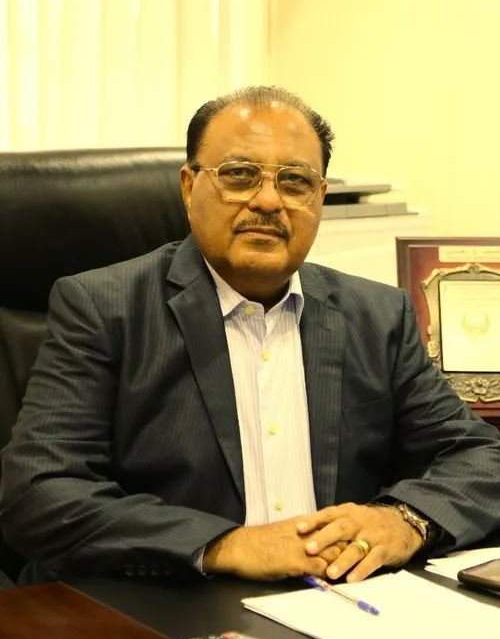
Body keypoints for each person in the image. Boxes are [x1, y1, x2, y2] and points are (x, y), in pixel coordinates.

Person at [1, 86, 500, 586]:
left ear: (319, 198)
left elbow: (480, 457)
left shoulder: (377, 315)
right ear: (188, 186)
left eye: (294, 181)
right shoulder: (104, 308)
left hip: (335, 605)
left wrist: (404, 519)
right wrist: (225, 544)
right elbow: (38, 492)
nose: (267, 201)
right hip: (168, 599)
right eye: (239, 176)